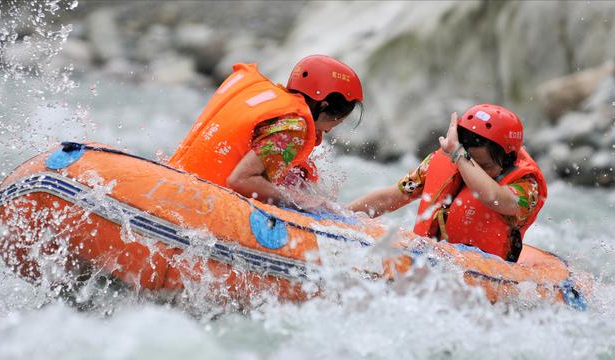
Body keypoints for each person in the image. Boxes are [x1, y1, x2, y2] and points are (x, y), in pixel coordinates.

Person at [348, 104, 547, 261]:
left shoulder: (527, 186)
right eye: (470, 161)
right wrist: (342, 215)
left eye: (482, 165)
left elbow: (494, 198)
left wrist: (461, 157)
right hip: (432, 259)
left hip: (484, 272)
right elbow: (393, 196)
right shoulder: (443, 160)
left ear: (508, 159)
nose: (471, 170)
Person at [169, 55, 363, 208]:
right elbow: (241, 180)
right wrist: (302, 202)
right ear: (324, 107)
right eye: (337, 121)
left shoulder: (269, 101)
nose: (329, 131)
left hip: (177, 184)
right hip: (200, 204)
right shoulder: (294, 128)